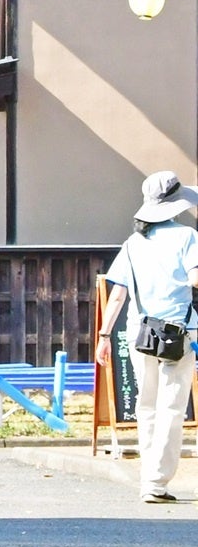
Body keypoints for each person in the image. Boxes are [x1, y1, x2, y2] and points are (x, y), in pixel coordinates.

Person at [99, 171, 198, 503]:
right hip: (178, 332)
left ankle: (148, 479)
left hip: (138, 332)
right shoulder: (187, 237)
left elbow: (117, 295)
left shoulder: (133, 243)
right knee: (172, 406)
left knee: (146, 405)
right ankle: (156, 482)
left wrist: (103, 335)